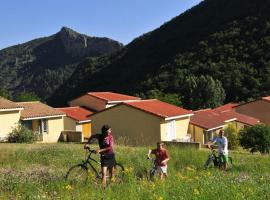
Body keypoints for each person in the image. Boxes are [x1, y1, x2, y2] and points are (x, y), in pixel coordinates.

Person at [84, 124, 115, 189]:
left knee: (111, 174)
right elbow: (92, 136)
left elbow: (110, 147)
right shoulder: (99, 136)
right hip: (103, 157)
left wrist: (100, 150)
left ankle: (111, 187)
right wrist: (87, 143)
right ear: (105, 131)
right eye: (109, 130)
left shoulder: (110, 137)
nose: (110, 131)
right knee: (104, 173)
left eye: (110, 130)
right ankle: (103, 189)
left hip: (110, 156)